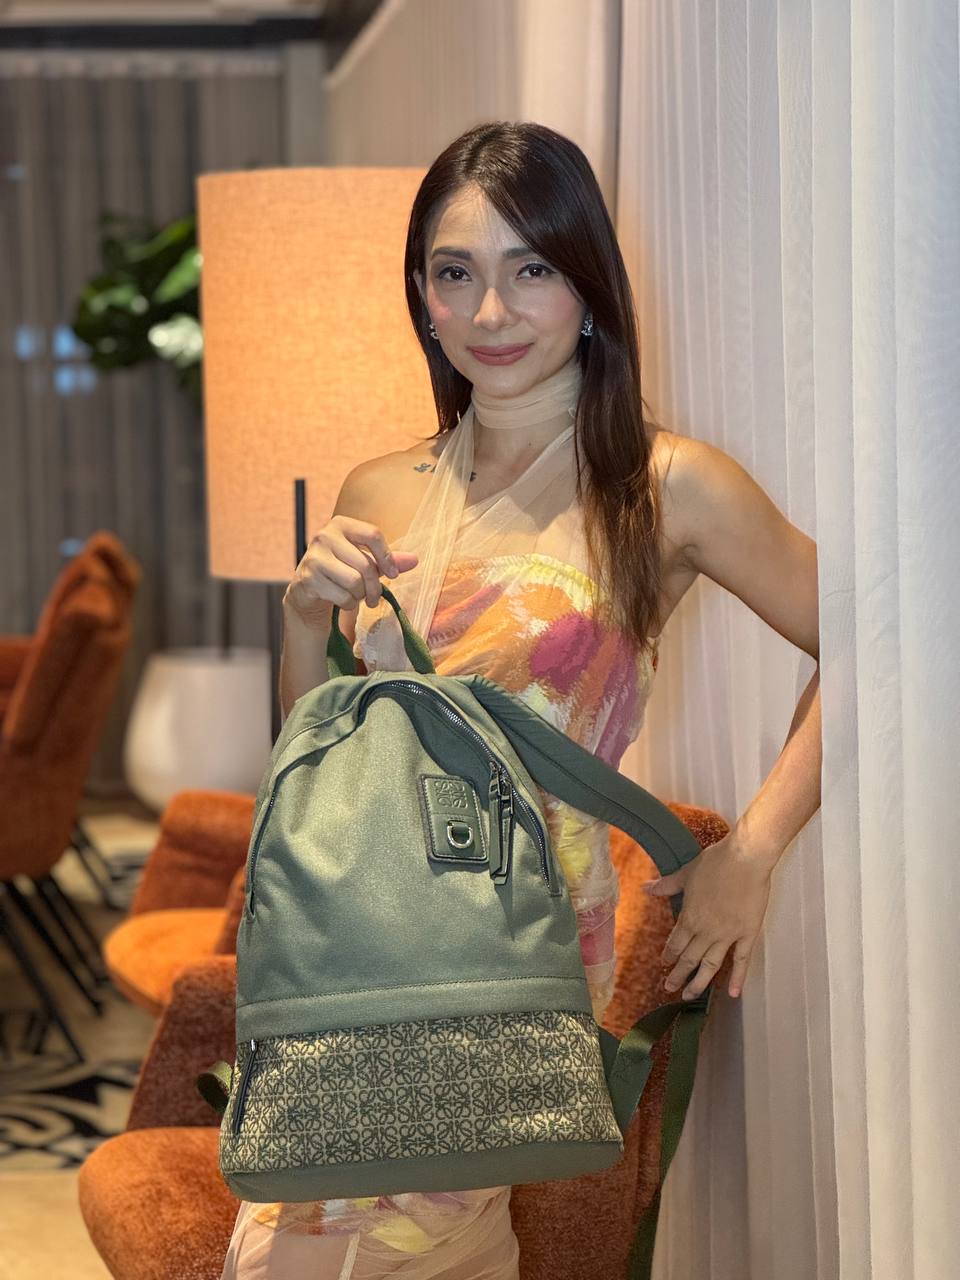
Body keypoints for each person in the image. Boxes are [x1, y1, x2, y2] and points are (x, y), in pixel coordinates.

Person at [221, 118, 815, 1279]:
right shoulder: (381, 486)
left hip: (516, 937)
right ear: (423, 297)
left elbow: (877, 642)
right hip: (363, 926)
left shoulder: (666, 486)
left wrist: (753, 851)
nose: (490, 312)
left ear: (587, 285)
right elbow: (320, 754)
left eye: (530, 268)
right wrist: (299, 621)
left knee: (375, 1239)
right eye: (456, 273)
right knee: (309, 1230)